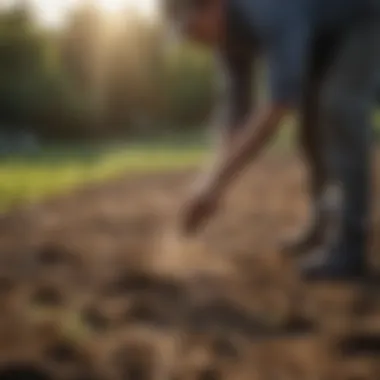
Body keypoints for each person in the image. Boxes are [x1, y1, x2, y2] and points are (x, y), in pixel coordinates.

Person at [163, 0, 380, 281]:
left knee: (339, 105)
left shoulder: (267, 9)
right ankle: (324, 224)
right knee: (311, 125)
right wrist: (208, 185)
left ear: (214, 6)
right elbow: (234, 120)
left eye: (191, 29)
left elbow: (278, 106)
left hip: (364, 17)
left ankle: (352, 243)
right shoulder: (228, 42)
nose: (193, 41)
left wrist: (215, 186)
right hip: (321, 34)